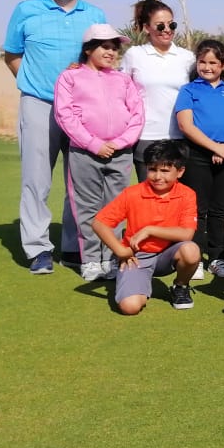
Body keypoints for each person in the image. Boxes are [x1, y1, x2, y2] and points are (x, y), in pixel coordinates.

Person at [4, 0, 107, 274]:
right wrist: (32, 84)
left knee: (79, 180)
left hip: (81, 109)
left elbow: (101, 59)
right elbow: (12, 54)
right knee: (36, 179)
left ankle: (73, 246)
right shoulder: (26, 10)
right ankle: (38, 249)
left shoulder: (95, 15)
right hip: (39, 104)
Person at [53, 24, 144, 281]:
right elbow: (65, 115)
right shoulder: (70, 78)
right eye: (105, 46)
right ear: (88, 49)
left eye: (114, 48)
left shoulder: (123, 80)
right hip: (84, 153)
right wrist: (94, 144)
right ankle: (92, 260)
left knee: (116, 208)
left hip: (120, 152)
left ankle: (112, 258)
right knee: (88, 208)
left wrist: (121, 142)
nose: (111, 52)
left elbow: (137, 115)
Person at [92, 140, 202, 314]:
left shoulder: (187, 194)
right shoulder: (132, 193)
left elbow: (187, 234)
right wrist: (120, 251)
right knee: (129, 307)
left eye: (165, 171)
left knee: (191, 251)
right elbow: (99, 223)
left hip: (169, 253)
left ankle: (180, 286)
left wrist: (149, 230)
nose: (158, 176)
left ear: (180, 172)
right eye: (152, 169)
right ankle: (136, 282)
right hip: (137, 256)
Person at [175, 39, 224, 279]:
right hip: (197, 155)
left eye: (213, 63)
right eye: (202, 62)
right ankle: (195, 257)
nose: (207, 67)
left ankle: (217, 257)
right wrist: (215, 148)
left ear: (223, 65)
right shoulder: (189, 90)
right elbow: (185, 125)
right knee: (197, 209)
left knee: (219, 209)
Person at [121, 0, 195, 181]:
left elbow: (204, 85)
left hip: (180, 137)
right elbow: (118, 90)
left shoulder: (187, 57)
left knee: (178, 195)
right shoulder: (134, 55)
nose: (167, 30)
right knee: (149, 195)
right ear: (147, 27)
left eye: (172, 25)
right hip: (145, 136)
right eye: (160, 26)